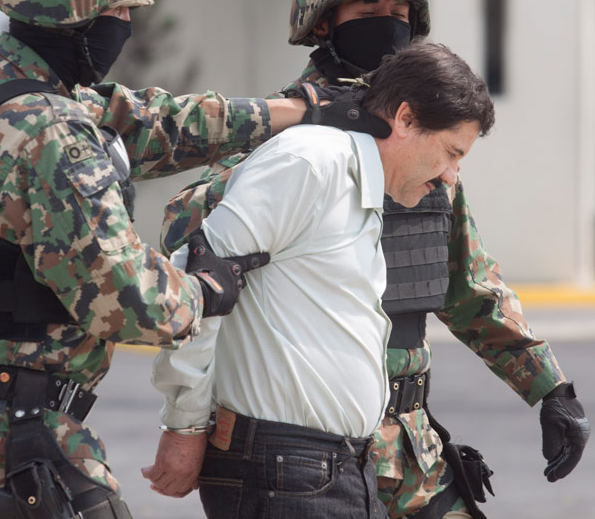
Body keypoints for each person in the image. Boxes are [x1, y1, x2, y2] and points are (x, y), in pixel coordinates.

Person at [0, 0, 391, 519]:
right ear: (77, 14)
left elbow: (153, 126)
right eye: (117, 12)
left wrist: (298, 110)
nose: (126, 26)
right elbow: (128, 301)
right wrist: (208, 288)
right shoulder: (48, 131)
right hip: (11, 430)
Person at [157, 0, 590, 519]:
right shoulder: (288, 129)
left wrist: (549, 388)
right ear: (322, 21)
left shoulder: (423, 136)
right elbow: (193, 238)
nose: (386, 25)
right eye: (367, 11)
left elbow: (467, 282)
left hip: (409, 441)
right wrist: (313, 128)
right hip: (308, 445)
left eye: (399, 13)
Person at [143, 43, 496, 519]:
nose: (451, 177)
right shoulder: (310, 164)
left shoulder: (362, 185)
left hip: (329, 467)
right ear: (407, 119)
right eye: (452, 153)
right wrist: (183, 428)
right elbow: (205, 278)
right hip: (284, 470)